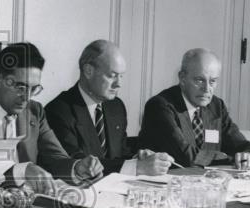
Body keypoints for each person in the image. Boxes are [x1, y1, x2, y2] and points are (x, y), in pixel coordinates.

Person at [0, 42, 102, 194]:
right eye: (21, 87)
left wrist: (77, 167)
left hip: (27, 204)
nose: (26, 97)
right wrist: (22, 171)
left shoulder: (34, 111)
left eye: (34, 89)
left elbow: (54, 157)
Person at [45, 40, 173, 176]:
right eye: (112, 76)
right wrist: (136, 167)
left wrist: (138, 158)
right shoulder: (58, 111)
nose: (119, 84)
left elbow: (119, 156)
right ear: (88, 71)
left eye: (121, 76)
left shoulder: (116, 106)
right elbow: (78, 164)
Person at [138, 48, 250, 168]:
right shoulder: (160, 106)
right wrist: (232, 158)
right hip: (167, 183)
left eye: (212, 81)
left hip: (206, 182)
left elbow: (240, 144)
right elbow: (187, 156)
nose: (207, 89)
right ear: (182, 78)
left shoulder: (216, 105)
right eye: (199, 80)